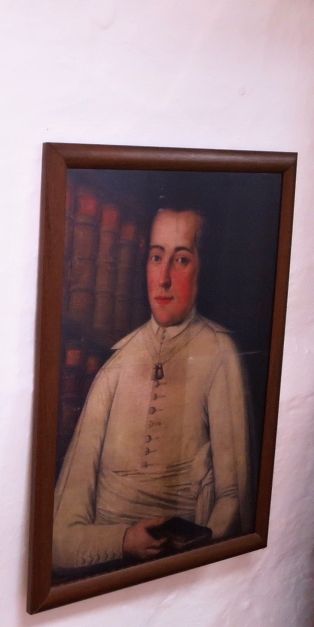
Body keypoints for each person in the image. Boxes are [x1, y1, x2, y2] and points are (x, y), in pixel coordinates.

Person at [52, 207, 253, 570]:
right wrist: (123, 541)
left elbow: (233, 499)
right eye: (157, 258)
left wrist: (184, 557)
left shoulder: (218, 353)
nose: (163, 279)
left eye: (181, 260)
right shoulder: (115, 367)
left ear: (202, 268)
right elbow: (59, 537)